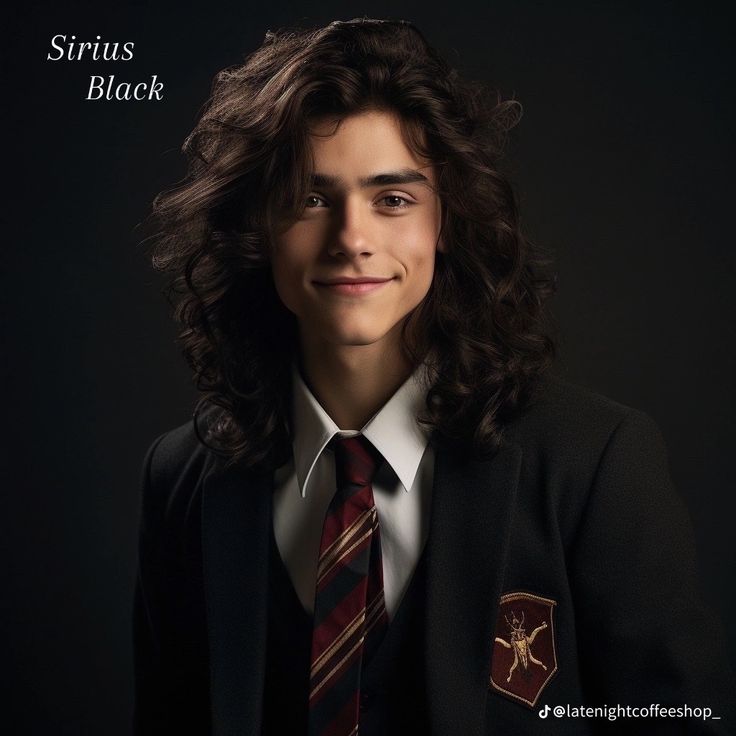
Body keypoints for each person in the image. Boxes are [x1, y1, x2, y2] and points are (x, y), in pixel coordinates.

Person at [134, 17, 736, 736]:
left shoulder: (593, 463)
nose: (354, 238)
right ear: (257, 223)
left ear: (444, 222)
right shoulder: (183, 479)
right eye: (311, 198)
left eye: (394, 199)